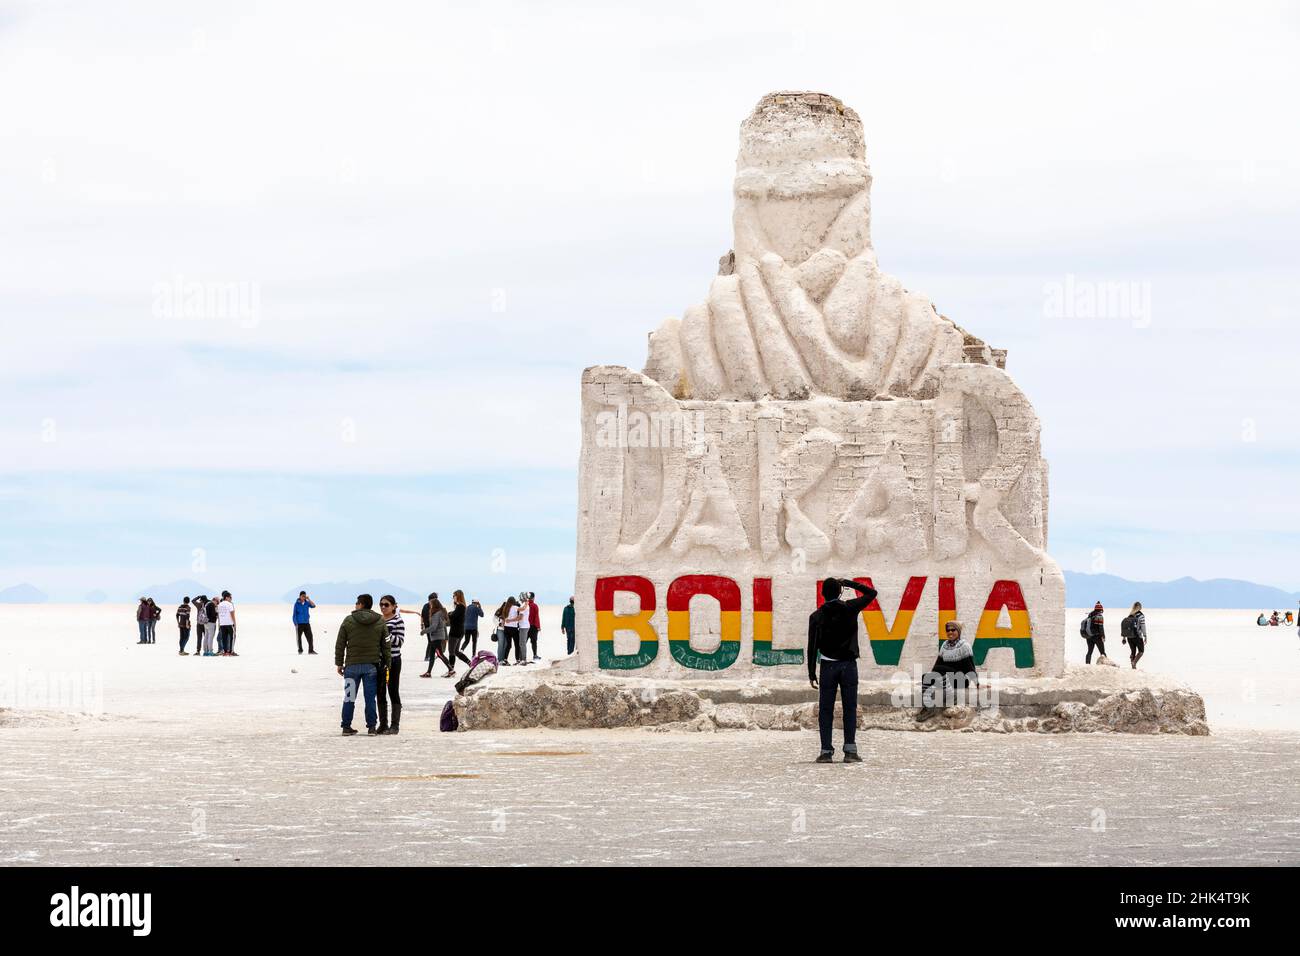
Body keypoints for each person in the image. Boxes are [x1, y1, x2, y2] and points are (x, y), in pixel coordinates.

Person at [806, 577, 877, 763]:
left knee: (826, 709)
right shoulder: (850, 607)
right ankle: (850, 750)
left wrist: (812, 672)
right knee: (850, 707)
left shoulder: (816, 616)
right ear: (839, 592)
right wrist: (849, 583)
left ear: (822, 594)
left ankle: (826, 751)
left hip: (828, 666)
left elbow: (812, 646)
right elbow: (872, 593)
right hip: (848, 665)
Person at [335, 593, 390, 736]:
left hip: (352, 666)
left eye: (356, 603)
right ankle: (371, 728)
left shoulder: (348, 620)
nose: (355, 605)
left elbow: (340, 644)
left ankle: (346, 727)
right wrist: (388, 663)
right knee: (370, 698)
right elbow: (386, 645)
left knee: (349, 697)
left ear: (361, 604)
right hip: (371, 667)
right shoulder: (380, 620)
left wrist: (339, 663)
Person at [915, 620, 980, 722]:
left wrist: (977, 684)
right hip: (947, 677)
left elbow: (971, 668)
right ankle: (929, 708)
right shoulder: (944, 645)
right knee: (925, 676)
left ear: (958, 631)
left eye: (953, 630)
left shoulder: (964, 646)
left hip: (961, 679)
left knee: (941, 669)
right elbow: (937, 664)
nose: (950, 632)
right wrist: (930, 677)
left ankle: (951, 699)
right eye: (948, 630)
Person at [376, 595, 405, 735]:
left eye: (386, 605)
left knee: (393, 691)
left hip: (393, 660)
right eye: (381, 604)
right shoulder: (378, 620)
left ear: (393, 606)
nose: (383, 607)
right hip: (379, 661)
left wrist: (386, 633)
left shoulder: (398, 621)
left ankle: (395, 725)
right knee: (380, 693)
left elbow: (399, 642)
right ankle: (383, 724)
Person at [420, 594, 451, 678]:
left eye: (431, 604)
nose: (430, 605)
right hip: (437, 636)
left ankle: (451, 669)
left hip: (436, 637)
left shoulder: (436, 614)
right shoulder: (440, 612)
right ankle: (428, 672)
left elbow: (433, 627)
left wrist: (424, 631)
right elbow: (446, 623)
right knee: (432, 655)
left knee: (440, 654)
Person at [446, 591, 472, 676]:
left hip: (455, 631)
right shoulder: (462, 606)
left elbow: (453, 617)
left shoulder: (460, 606)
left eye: (454, 595)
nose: (453, 597)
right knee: (456, 651)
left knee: (451, 652)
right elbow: (455, 616)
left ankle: (451, 670)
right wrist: (451, 613)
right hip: (460, 631)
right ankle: (470, 663)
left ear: (458, 596)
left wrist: (448, 614)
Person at [1121, 601, 1147, 669]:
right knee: (1141, 651)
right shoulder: (1141, 615)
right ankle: (1134, 663)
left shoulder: (1130, 615)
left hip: (1129, 637)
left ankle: (1133, 667)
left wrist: (1124, 638)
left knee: (1133, 651)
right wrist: (1145, 635)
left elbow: (1125, 627)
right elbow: (1143, 626)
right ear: (1140, 607)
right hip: (1137, 636)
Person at [503, 597, 525, 665]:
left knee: (508, 645)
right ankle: (517, 659)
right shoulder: (515, 607)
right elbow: (523, 609)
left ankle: (505, 659)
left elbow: (504, 619)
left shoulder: (505, 608)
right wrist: (526, 603)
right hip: (513, 628)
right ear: (513, 601)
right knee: (517, 645)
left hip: (506, 628)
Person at [217, 591, 237, 656]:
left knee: (224, 638)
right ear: (227, 597)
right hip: (229, 623)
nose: (231, 598)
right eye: (230, 597)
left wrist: (220, 623)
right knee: (232, 637)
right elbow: (232, 614)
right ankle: (231, 651)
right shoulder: (229, 604)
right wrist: (234, 623)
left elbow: (219, 614)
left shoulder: (220, 604)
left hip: (222, 624)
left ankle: (225, 652)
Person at [526, 591, 542, 661]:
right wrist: (538, 626)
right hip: (533, 626)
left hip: (525, 626)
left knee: (524, 642)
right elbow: (536, 617)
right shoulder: (534, 606)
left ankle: (521, 656)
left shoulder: (525, 605)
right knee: (534, 642)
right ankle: (535, 655)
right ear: (533, 598)